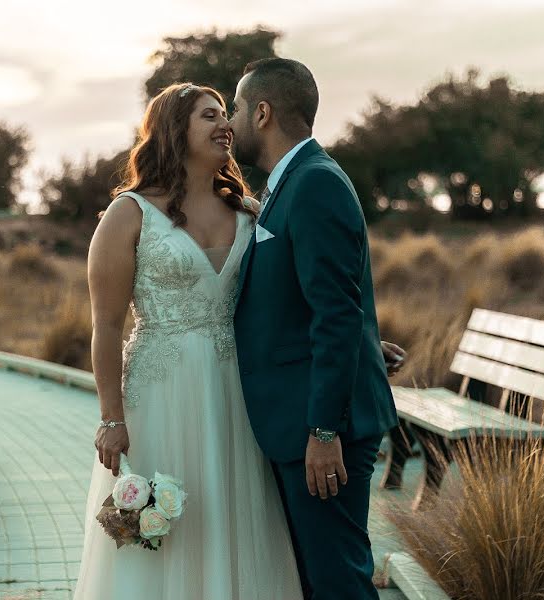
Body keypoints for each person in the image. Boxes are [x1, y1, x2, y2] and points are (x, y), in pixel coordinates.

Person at [73, 83, 304, 599]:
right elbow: (106, 325)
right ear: (175, 130)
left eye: (226, 114)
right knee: (166, 529)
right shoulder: (128, 214)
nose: (225, 124)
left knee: (235, 514)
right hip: (160, 393)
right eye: (209, 116)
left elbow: (290, 300)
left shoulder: (249, 210)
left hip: (237, 391)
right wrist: (111, 418)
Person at [229, 58, 398, 600]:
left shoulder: (315, 184)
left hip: (325, 430)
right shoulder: (288, 185)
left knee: (338, 582)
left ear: (262, 112)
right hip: (301, 420)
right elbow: (322, 304)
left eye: (235, 108)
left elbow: (336, 314)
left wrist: (324, 430)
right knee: (317, 579)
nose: (230, 123)